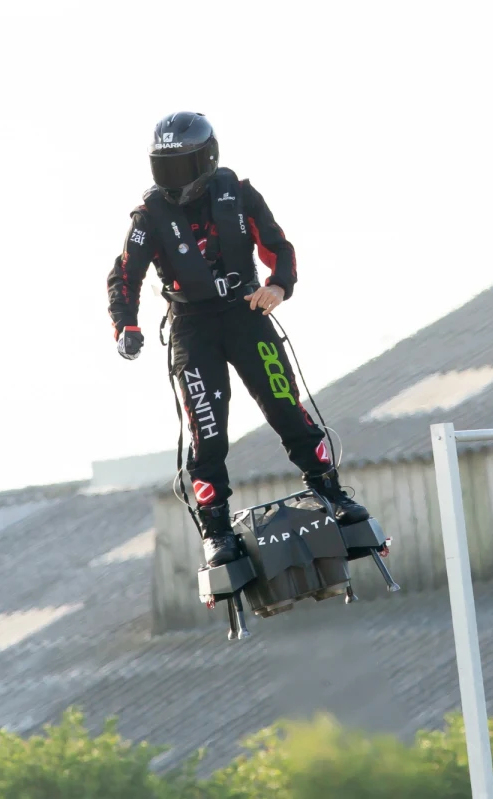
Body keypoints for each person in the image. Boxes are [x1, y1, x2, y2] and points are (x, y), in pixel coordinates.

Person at [106, 111, 369, 568]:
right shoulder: (149, 215)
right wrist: (126, 325)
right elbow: (124, 276)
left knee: (286, 406)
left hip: (246, 315)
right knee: (206, 434)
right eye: (164, 169)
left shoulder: (239, 193)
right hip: (191, 328)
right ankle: (217, 533)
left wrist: (278, 285)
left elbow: (278, 246)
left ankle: (331, 493)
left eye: (183, 167)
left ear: (207, 160)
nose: (174, 180)